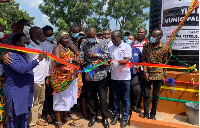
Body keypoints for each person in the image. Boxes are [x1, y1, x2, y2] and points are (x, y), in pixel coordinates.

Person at [3, 33, 46, 127]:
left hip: (25, 92)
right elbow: (22, 69)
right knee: (14, 117)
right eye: (26, 43)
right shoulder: (11, 55)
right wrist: (38, 60)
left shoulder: (23, 55)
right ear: (18, 44)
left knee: (24, 116)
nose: (28, 44)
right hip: (16, 92)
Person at [79, 27, 110, 128]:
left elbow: (108, 57)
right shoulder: (84, 44)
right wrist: (79, 60)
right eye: (88, 37)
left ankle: (105, 117)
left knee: (103, 98)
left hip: (101, 75)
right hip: (90, 75)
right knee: (91, 97)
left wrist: (96, 55)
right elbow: (81, 55)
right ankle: (93, 116)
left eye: (92, 37)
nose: (90, 39)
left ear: (95, 35)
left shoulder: (102, 43)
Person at [51, 30, 83, 128]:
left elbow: (77, 52)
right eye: (64, 38)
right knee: (59, 99)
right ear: (59, 39)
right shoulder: (57, 48)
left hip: (70, 77)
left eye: (68, 37)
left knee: (67, 98)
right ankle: (58, 121)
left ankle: (65, 117)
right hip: (60, 79)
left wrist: (77, 61)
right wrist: (71, 60)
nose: (67, 39)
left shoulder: (67, 48)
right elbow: (56, 63)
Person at [141, 29, 170, 120]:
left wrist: (164, 76)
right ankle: (146, 113)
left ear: (159, 37)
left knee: (156, 96)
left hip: (158, 74)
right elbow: (144, 60)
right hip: (147, 73)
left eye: (154, 36)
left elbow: (164, 62)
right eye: (151, 35)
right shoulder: (146, 46)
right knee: (146, 94)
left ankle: (153, 114)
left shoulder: (165, 48)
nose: (152, 37)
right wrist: (145, 72)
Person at [27, 26, 49, 127]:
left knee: (41, 101)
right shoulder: (28, 47)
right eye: (40, 34)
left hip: (42, 78)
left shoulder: (40, 45)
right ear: (34, 36)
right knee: (34, 103)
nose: (43, 35)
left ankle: (38, 119)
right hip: (34, 79)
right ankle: (32, 123)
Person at [109, 30, 132, 128]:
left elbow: (127, 59)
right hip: (114, 77)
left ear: (120, 37)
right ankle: (116, 115)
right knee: (115, 97)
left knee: (125, 98)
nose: (113, 40)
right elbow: (108, 60)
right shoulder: (110, 47)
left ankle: (124, 117)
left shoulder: (126, 46)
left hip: (125, 77)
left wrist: (116, 62)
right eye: (112, 38)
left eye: (115, 38)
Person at [41, 25, 57, 124]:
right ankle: (48, 113)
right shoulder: (44, 45)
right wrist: (47, 76)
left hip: (56, 73)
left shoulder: (55, 43)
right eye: (48, 35)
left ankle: (54, 112)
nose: (50, 36)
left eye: (51, 34)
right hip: (48, 72)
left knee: (54, 94)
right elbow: (45, 62)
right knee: (48, 95)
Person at [134, 28, 149, 112]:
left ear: (145, 33)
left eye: (142, 32)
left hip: (144, 70)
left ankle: (141, 106)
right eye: (139, 32)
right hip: (135, 70)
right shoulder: (133, 42)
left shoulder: (148, 44)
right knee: (137, 88)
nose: (140, 34)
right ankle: (135, 104)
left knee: (144, 88)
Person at [128, 35, 142, 113]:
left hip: (134, 74)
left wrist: (138, 66)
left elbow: (141, 61)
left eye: (131, 39)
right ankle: (127, 106)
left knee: (137, 89)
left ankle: (134, 104)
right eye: (128, 38)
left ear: (134, 41)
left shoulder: (137, 50)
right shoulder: (123, 49)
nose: (129, 40)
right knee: (127, 90)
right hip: (124, 74)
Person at [103, 29, 113, 109]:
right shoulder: (100, 43)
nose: (106, 35)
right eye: (104, 34)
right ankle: (104, 104)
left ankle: (111, 105)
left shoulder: (113, 44)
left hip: (111, 70)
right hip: (102, 70)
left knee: (112, 89)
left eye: (108, 34)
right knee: (103, 89)